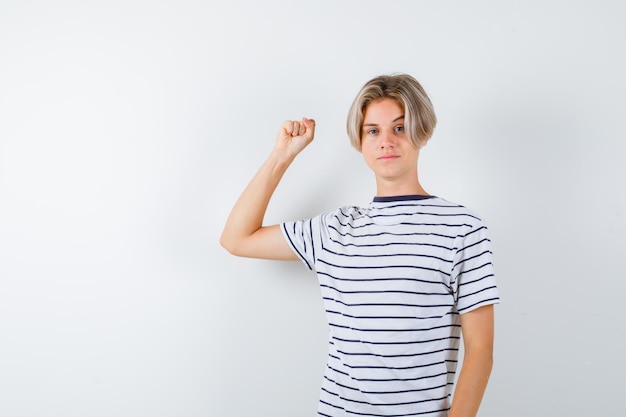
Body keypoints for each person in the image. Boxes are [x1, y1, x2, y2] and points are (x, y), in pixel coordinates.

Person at [220, 73, 500, 417]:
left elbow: (481, 349)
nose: (386, 141)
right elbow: (236, 238)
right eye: (373, 130)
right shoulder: (334, 229)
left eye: (399, 127)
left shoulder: (462, 228)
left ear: (422, 132)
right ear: (360, 140)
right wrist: (282, 155)